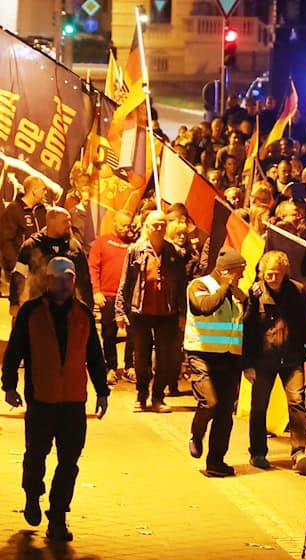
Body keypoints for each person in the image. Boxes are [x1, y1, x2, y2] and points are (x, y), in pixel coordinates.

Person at [2, 257, 109, 541]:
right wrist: (9, 386)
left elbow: (95, 356)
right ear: (49, 280)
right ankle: (32, 494)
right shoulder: (31, 312)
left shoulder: (83, 314)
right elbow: (14, 352)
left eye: (68, 278)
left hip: (74, 401)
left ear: (73, 281)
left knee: (69, 462)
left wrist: (102, 391)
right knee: (36, 455)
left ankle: (58, 516)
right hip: (41, 398)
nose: (63, 284)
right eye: (58, 278)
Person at [242, 250, 306, 472]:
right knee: (259, 407)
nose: (272, 278)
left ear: (285, 272)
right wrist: (247, 364)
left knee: (297, 402)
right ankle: (257, 452)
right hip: (262, 360)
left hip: (292, 357)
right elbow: (246, 329)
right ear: (261, 273)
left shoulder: (298, 291)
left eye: (276, 274)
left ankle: (299, 451)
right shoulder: (255, 294)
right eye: (268, 274)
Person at [115, 211, 187, 412]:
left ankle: (158, 397)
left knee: (166, 357)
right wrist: (120, 312)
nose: (158, 228)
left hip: (168, 313)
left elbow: (182, 285)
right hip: (140, 311)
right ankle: (141, 395)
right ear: (146, 226)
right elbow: (126, 282)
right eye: (154, 225)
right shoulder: (135, 251)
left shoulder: (175, 252)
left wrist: (182, 313)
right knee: (141, 357)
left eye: (162, 224)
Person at [185, 248, 247, 477]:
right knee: (209, 403)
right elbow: (203, 308)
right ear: (226, 272)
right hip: (202, 354)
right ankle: (196, 433)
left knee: (224, 413)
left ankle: (216, 462)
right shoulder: (199, 286)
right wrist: (224, 287)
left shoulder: (236, 293)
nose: (240, 278)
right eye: (238, 273)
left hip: (230, 357)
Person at [10, 207, 94, 317]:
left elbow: (84, 279)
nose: (69, 225)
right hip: (39, 309)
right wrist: (14, 302)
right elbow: (18, 275)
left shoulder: (74, 247)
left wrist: (88, 307)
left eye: (70, 221)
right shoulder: (31, 246)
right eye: (65, 221)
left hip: (67, 309)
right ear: (51, 221)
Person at [88, 210, 136, 385]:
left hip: (130, 297)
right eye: (123, 225)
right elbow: (93, 267)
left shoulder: (134, 244)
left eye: (128, 225)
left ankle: (130, 367)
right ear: (115, 223)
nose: (126, 229)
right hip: (108, 295)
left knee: (133, 332)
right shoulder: (101, 242)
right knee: (109, 334)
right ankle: (110, 367)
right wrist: (96, 291)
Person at [1, 175, 47, 292]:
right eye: (43, 189)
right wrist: (16, 267)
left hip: (40, 270)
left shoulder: (43, 210)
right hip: (21, 269)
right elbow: (6, 241)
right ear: (34, 191)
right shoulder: (13, 210)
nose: (45, 192)